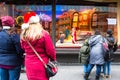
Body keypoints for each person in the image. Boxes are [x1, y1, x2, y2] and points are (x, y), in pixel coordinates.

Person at [20, 11, 56, 80]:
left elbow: (23, 47)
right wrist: (53, 59)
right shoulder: (43, 34)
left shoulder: (23, 35)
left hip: (29, 63)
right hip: (42, 63)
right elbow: (50, 50)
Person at [0, 16, 24, 80]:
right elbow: (19, 50)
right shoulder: (14, 35)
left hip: (1, 63)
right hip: (14, 64)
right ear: (12, 24)